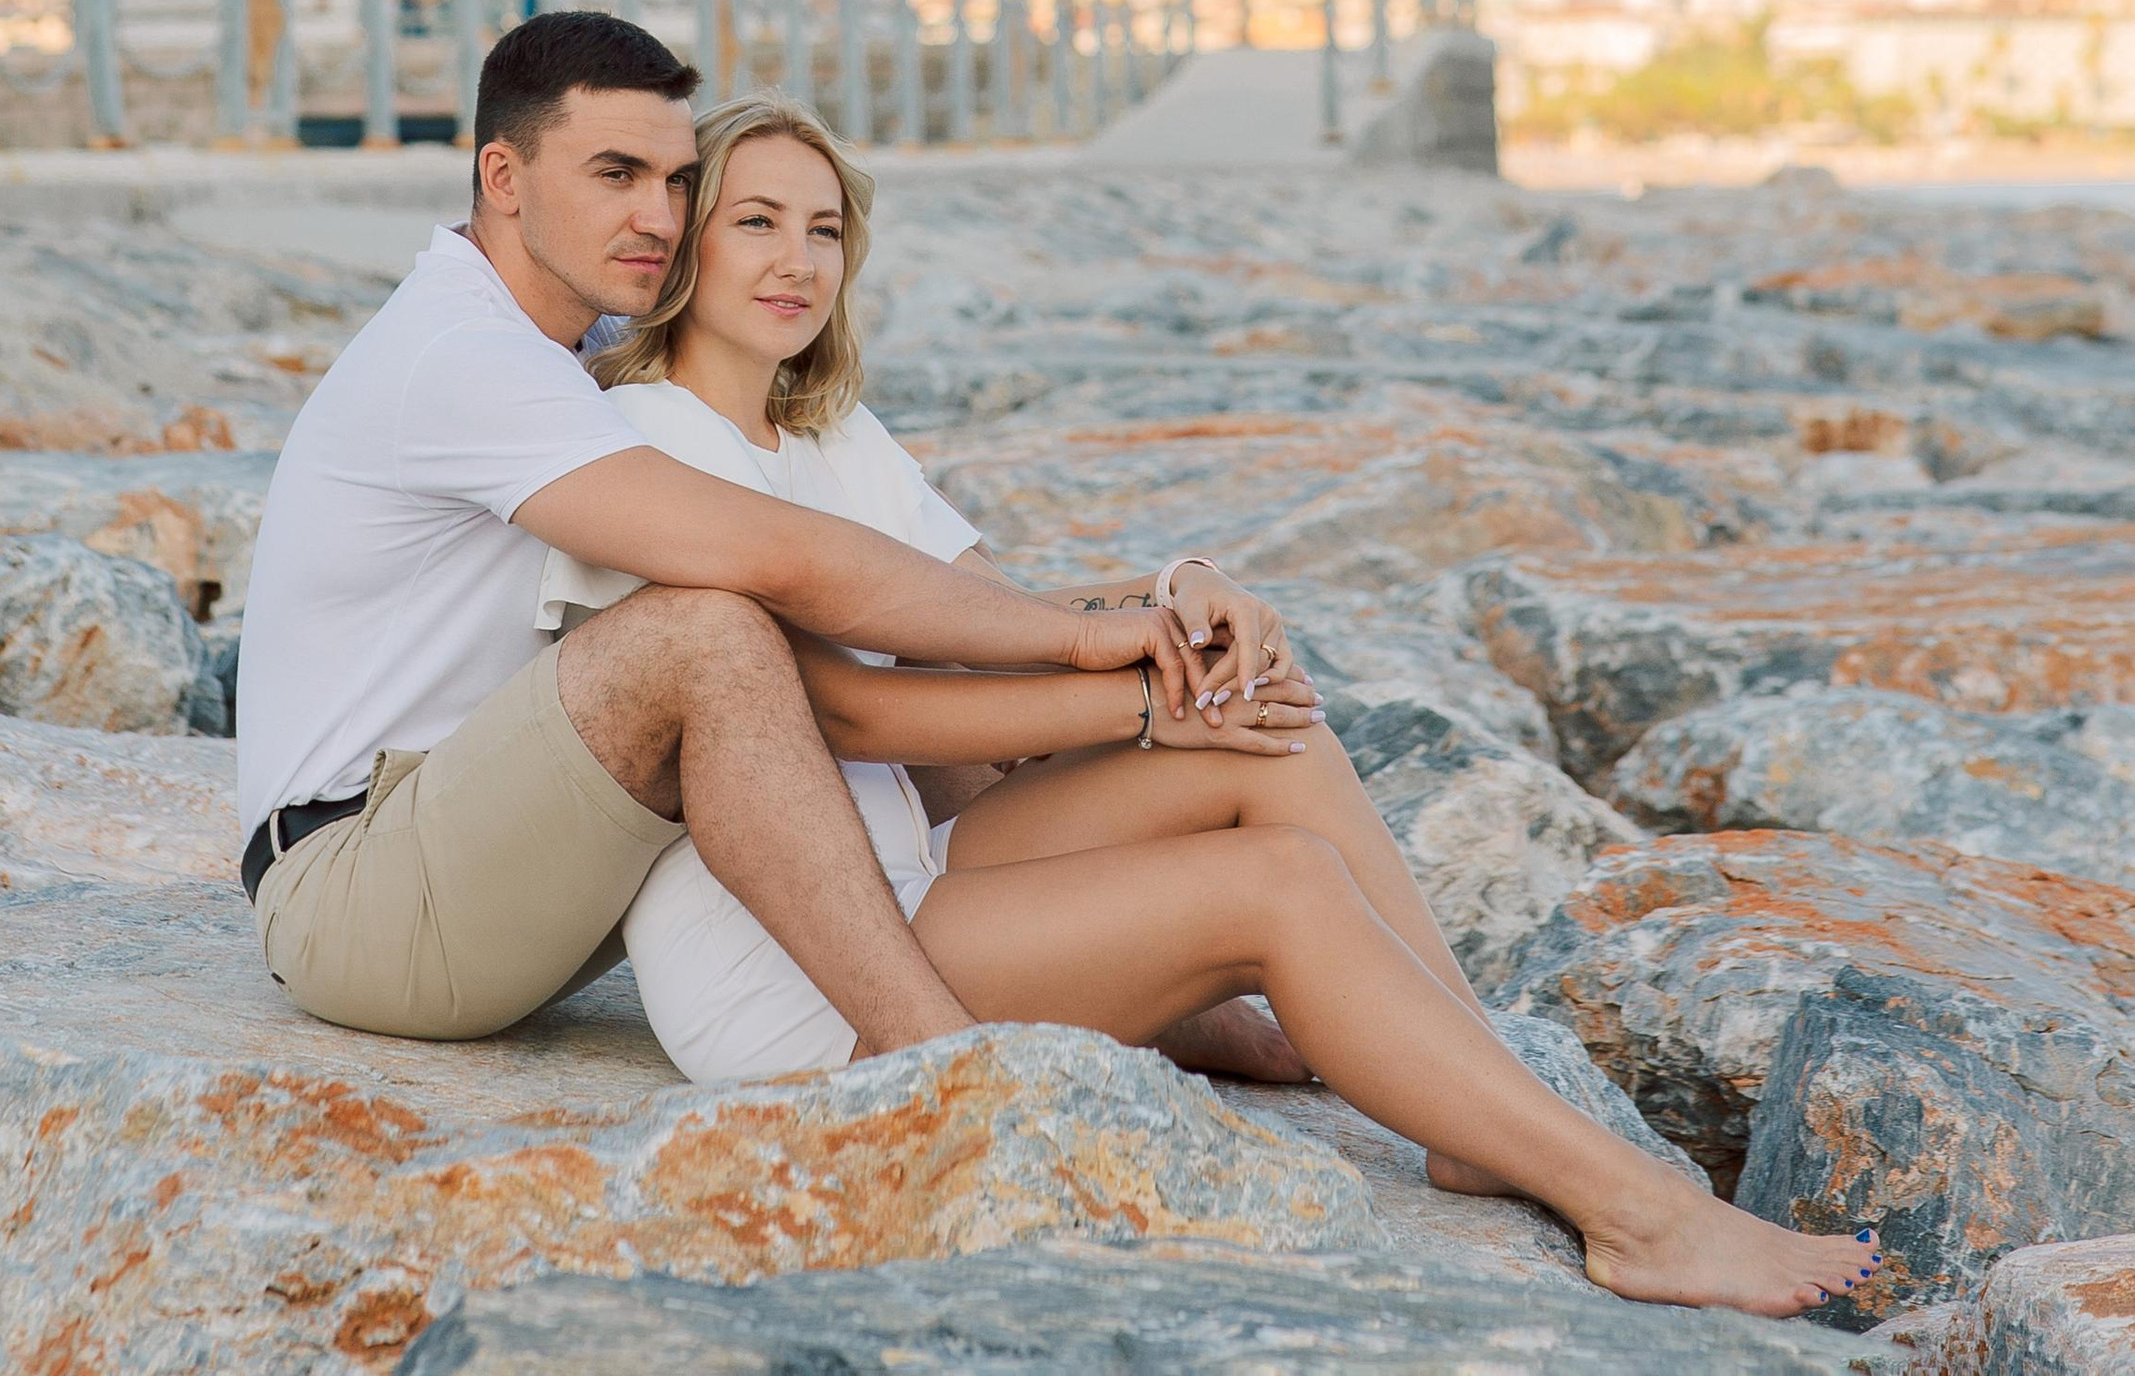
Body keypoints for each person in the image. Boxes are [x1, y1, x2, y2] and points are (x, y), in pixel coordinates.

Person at [536, 99, 1887, 1327]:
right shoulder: (647, 440)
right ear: (684, 248)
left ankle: (1475, 1107)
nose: (797, 259)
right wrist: (1137, 708)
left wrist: (1182, 592)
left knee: (1275, 739)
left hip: (917, 866)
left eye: (825, 229)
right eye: (755, 222)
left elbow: (995, 611)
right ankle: (1639, 1218)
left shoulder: (827, 434)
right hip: (796, 963)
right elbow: (849, 713)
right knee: (1279, 890)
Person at [231, 12, 1280, 1064]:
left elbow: (905, 583)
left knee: (906, 650)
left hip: (506, 835)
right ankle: (940, 1061)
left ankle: (1189, 997)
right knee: (707, 634)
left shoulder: (584, 332)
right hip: (361, 889)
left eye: (678, 181)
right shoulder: (466, 354)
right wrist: (1085, 647)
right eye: (614, 174)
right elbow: (777, 559)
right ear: (503, 178)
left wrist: (1157, 597)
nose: (657, 215)